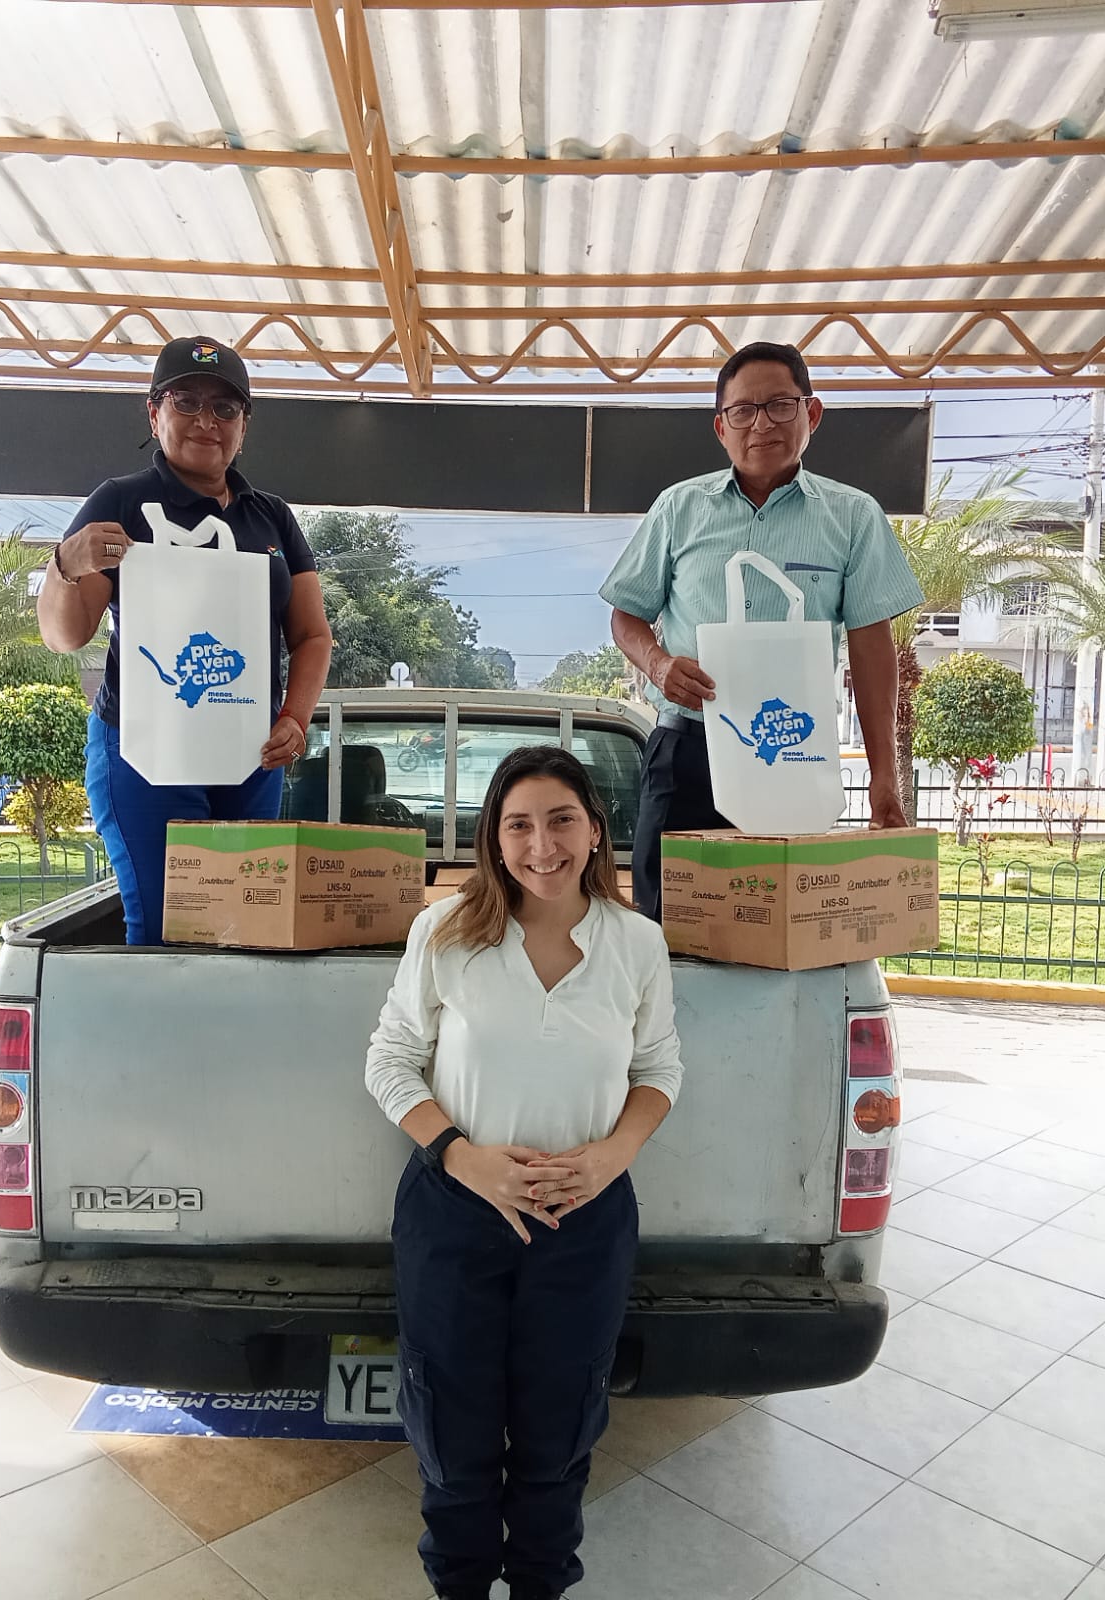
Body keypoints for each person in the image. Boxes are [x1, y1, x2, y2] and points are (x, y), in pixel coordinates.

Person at [365, 746, 682, 1600]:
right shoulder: (445, 933)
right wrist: (461, 1156)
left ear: (595, 829)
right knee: (452, 1435)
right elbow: (389, 1060)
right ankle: (460, 1585)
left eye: (561, 820)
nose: (543, 846)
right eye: (519, 826)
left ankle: (541, 1584)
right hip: (455, 1216)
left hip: (584, 1225)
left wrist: (613, 1155)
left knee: (559, 1436)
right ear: (494, 840)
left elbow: (658, 1069)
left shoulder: (637, 943)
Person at [601, 340, 925, 920]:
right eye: (743, 411)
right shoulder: (679, 509)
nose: (762, 425)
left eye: (780, 405)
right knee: (665, 926)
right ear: (720, 427)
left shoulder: (853, 517)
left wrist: (885, 779)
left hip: (793, 752)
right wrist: (658, 663)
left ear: (811, 413)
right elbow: (626, 614)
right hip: (687, 750)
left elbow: (871, 648)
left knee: (782, 924)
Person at [37, 335, 332, 944]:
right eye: (186, 402)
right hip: (145, 752)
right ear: (154, 413)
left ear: (244, 424)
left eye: (225, 407)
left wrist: (295, 718)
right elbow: (66, 636)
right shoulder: (121, 501)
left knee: (246, 926)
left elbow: (311, 635)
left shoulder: (272, 516)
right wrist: (66, 564)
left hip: (249, 753)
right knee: (165, 928)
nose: (206, 421)